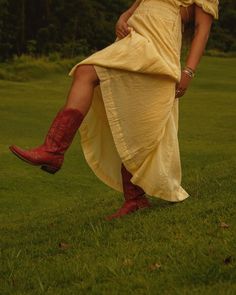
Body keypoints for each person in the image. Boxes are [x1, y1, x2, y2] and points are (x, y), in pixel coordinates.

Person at [9, 0, 219, 220]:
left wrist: (189, 71)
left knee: (129, 113)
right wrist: (124, 17)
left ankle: (133, 197)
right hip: (134, 37)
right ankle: (54, 151)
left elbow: (201, 31)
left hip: (159, 45)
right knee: (88, 75)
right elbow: (138, 5)